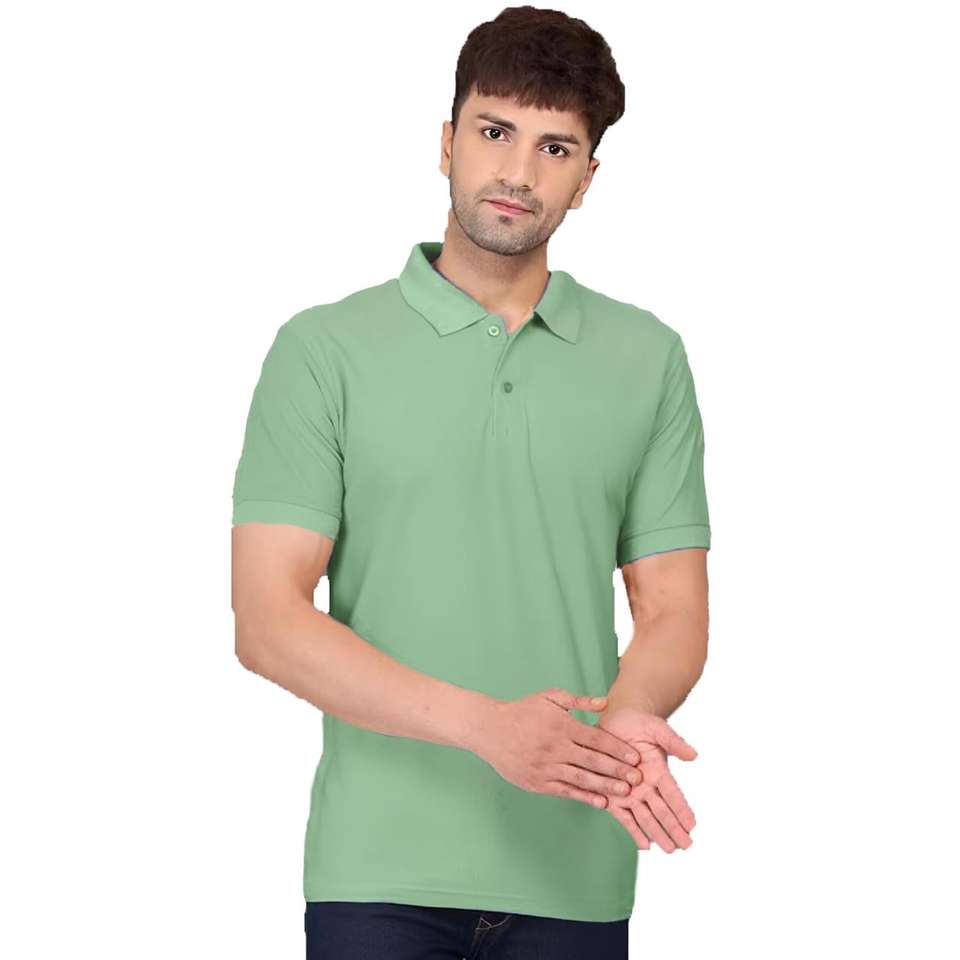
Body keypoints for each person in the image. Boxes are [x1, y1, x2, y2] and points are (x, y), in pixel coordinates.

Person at [231, 6, 711, 957]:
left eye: (555, 148)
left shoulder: (647, 358)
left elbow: (673, 612)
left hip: (575, 873)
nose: (518, 172)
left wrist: (624, 722)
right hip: (378, 873)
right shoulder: (324, 350)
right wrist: (488, 728)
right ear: (447, 142)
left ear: (587, 178)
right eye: (496, 132)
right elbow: (267, 619)